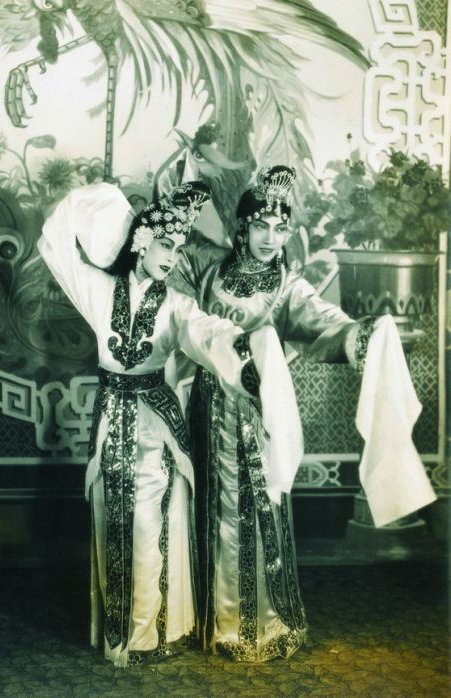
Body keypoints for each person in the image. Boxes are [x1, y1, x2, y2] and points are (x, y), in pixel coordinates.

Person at [38, 180, 253, 668]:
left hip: (156, 426)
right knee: (114, 521)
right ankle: (121, 632)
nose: (173, 258)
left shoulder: (175, 304)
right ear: (142, 240)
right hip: (111, 420)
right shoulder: (98, 288)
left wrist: (243, 353)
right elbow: (53, 245)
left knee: (151, 524)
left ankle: (154, 632)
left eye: (179, 249)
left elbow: (204, 331)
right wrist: (96, 197)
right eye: (167, 245)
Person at [169, 165, 367, 663]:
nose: (271, 238)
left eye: (281, 229)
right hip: (204, 407)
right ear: (243, 226)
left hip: (252, 416)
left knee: (250, 514)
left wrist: (356, 336)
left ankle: (252, 625)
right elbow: (177, 307)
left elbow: (324, 318)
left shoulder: (285, 285)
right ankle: (209, 620)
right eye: (261, 226)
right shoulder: (211, 269)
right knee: (204, 508)